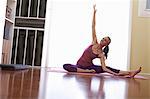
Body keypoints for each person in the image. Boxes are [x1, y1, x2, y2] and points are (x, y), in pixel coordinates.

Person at [63, 5, 141, 78]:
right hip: (79, 66)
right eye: (103, 38)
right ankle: (88, 72)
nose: (103, 39)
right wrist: (94, 12)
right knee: (66, 66)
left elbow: (104, 68)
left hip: (90, 67)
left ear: (106, 44)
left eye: (105, 40)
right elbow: (93, 26)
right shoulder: (94, 42)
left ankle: (130, 72)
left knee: (107, 68)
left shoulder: (101, 54)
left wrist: (114, 74)